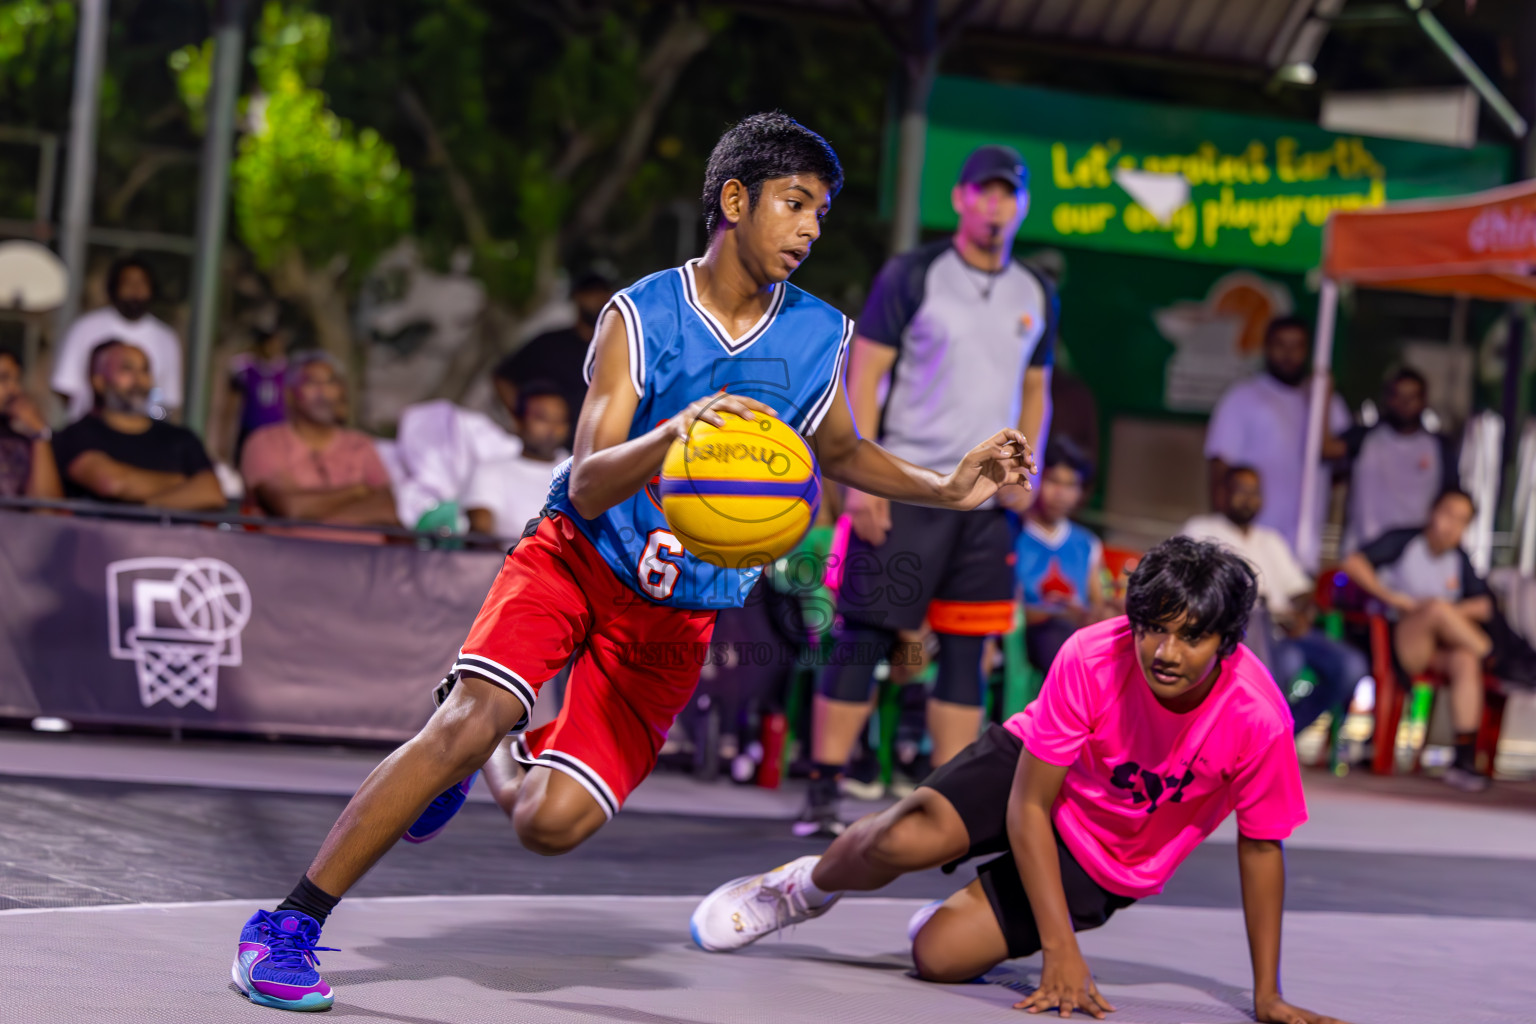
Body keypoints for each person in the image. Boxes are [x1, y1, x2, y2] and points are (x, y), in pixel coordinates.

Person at [227, 112, 1036, 1013]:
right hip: (576, 557)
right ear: (736, 200)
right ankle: (287, 925)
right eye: (795, 205)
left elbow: (841, 452)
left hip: (675, 616)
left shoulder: (819, 335)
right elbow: (589, 478)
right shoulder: (641, 316)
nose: (810, 229)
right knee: (470, 710)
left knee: (550, 825)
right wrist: (670, 442)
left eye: (821, 214)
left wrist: (952, 485)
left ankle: (492, 756)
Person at [691, 537, 1348, 1024]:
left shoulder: (1258, 720)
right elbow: (1030, 803)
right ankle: (800, 889)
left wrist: (1268, 996)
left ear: (1227, 643)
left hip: (1113, 854)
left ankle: (961, 917)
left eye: (1190, 637)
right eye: (1152, 628)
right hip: (1041, 773)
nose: (1164, 652)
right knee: (903, 838)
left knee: (940, 959)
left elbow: (1261, 847)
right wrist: (1059, 950)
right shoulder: (1093, 655)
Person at [798, 142, 1058, 838]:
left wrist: (1021, 472)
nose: (997, 205)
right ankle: (823, 788)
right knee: (866, 635)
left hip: (983, 499)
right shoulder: (916, 275)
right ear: (962, 199)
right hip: (907, 481)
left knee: (968, 648)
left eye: (1010, 193)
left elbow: (1037, 387)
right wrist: (858, 477)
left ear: (1022, 204)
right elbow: (866, 374)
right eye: (986, 191)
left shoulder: (1034, 292)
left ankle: (951, 800)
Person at [1184, 465, 1368, 735]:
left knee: (1352, 666)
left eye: (1254, 493)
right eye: (1240, 491)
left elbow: (1300, 591)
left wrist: (1305, 614)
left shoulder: (1271, 540)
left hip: (1287, 628)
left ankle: (1280, 733)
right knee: (1288, 661)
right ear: (1222, 493)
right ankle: (1257, 736)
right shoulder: (1201, 530)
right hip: (1236, 630)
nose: (1248, 499)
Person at [1342, 488, 1493, 792]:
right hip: (1401, 641)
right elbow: (1353, 564)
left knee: (1465, 659)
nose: (1452, 525)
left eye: (1462, 520)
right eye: (1448, 514)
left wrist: (1448, 611)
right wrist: (1396, 599)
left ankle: (1463, 758)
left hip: (1440, 646)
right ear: (1432, 513)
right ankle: (1496, 658)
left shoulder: (1458, 558)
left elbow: (1484, 605)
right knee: (1437, 610)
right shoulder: (1405, 541)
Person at [1205, 315, 1350, 570]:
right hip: (1248, 541)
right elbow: (1219, 470)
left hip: (1305, 545)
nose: (1288, 354)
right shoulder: (1242, 398)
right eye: (1280, 345)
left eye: (1296, 346)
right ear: (1266, 347)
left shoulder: (1327, 404)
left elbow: (1342, 467)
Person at [51, 341, 223, 510]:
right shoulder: (75, 436)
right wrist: (184, 484)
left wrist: (148, 506)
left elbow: (211, 494)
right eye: (127, 369)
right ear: (99, 382)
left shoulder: (182, 439)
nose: (139, 380)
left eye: (145, 370)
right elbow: (112, 483)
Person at [240, 353, 399, 530]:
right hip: (290, 554)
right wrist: (357, 491)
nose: (323, 392)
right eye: (311, 383)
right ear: (290, 394)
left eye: (331, 382)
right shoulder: (265, 442)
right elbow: (290, 507)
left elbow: (388, 511)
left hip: (361, 555)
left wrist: (314, 511)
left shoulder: (361, 445)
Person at [1009, 439, 1112, 672]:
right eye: (1053, 481)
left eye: (1070, 485)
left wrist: (1090, 614)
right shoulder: (1013, 533)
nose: (1060, 493)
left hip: (1077, 637)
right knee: (1055, 634)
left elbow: (1097, 604)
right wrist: (1057, 614)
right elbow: (1010, 608)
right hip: (1029, 640)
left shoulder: (1087, 543)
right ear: (1035, 480)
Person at [51, 255, 182, 421]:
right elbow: (65, 387)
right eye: (128, 283)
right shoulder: (85, 327)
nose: (136, 290)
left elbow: (168, 400)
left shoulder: (166, 338)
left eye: (142, 283)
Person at [1346, 367, 1458, 551]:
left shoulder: (1440, 448)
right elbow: (1326, 450)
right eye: (1399, 395)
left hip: (1415, 557)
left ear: (1424, 400)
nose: (1405, 403)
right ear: (1387, 399)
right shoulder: (1364, 438)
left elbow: (1452, 502)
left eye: (1412, 396)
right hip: (1363, 552)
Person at [494, 269, 616, 420]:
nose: (600, 299)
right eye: (592, 292)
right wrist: (524, 419)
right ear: (577, 296)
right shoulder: (549, 343)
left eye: (605, 293)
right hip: (547, 441)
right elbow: (503, 377)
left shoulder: (615, 349)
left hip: (594, 440)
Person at [463, 380, 571, 538]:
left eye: (560, 420)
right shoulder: (491, 472)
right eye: (542, 418)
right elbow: (481, 537)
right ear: (518, 421)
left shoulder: (579, 472)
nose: (552, 429)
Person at [217, 312, 291, 466]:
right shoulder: (245, 368)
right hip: (251, 431)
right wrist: (223, 439)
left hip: (277, 434)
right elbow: (230, 406)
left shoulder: (286, 370)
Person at [0, 349, 62, 500]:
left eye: (17, 380)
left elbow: (46, 508)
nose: (15, 390)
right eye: (3, 378)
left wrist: (40, 433)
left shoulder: (21, 442)